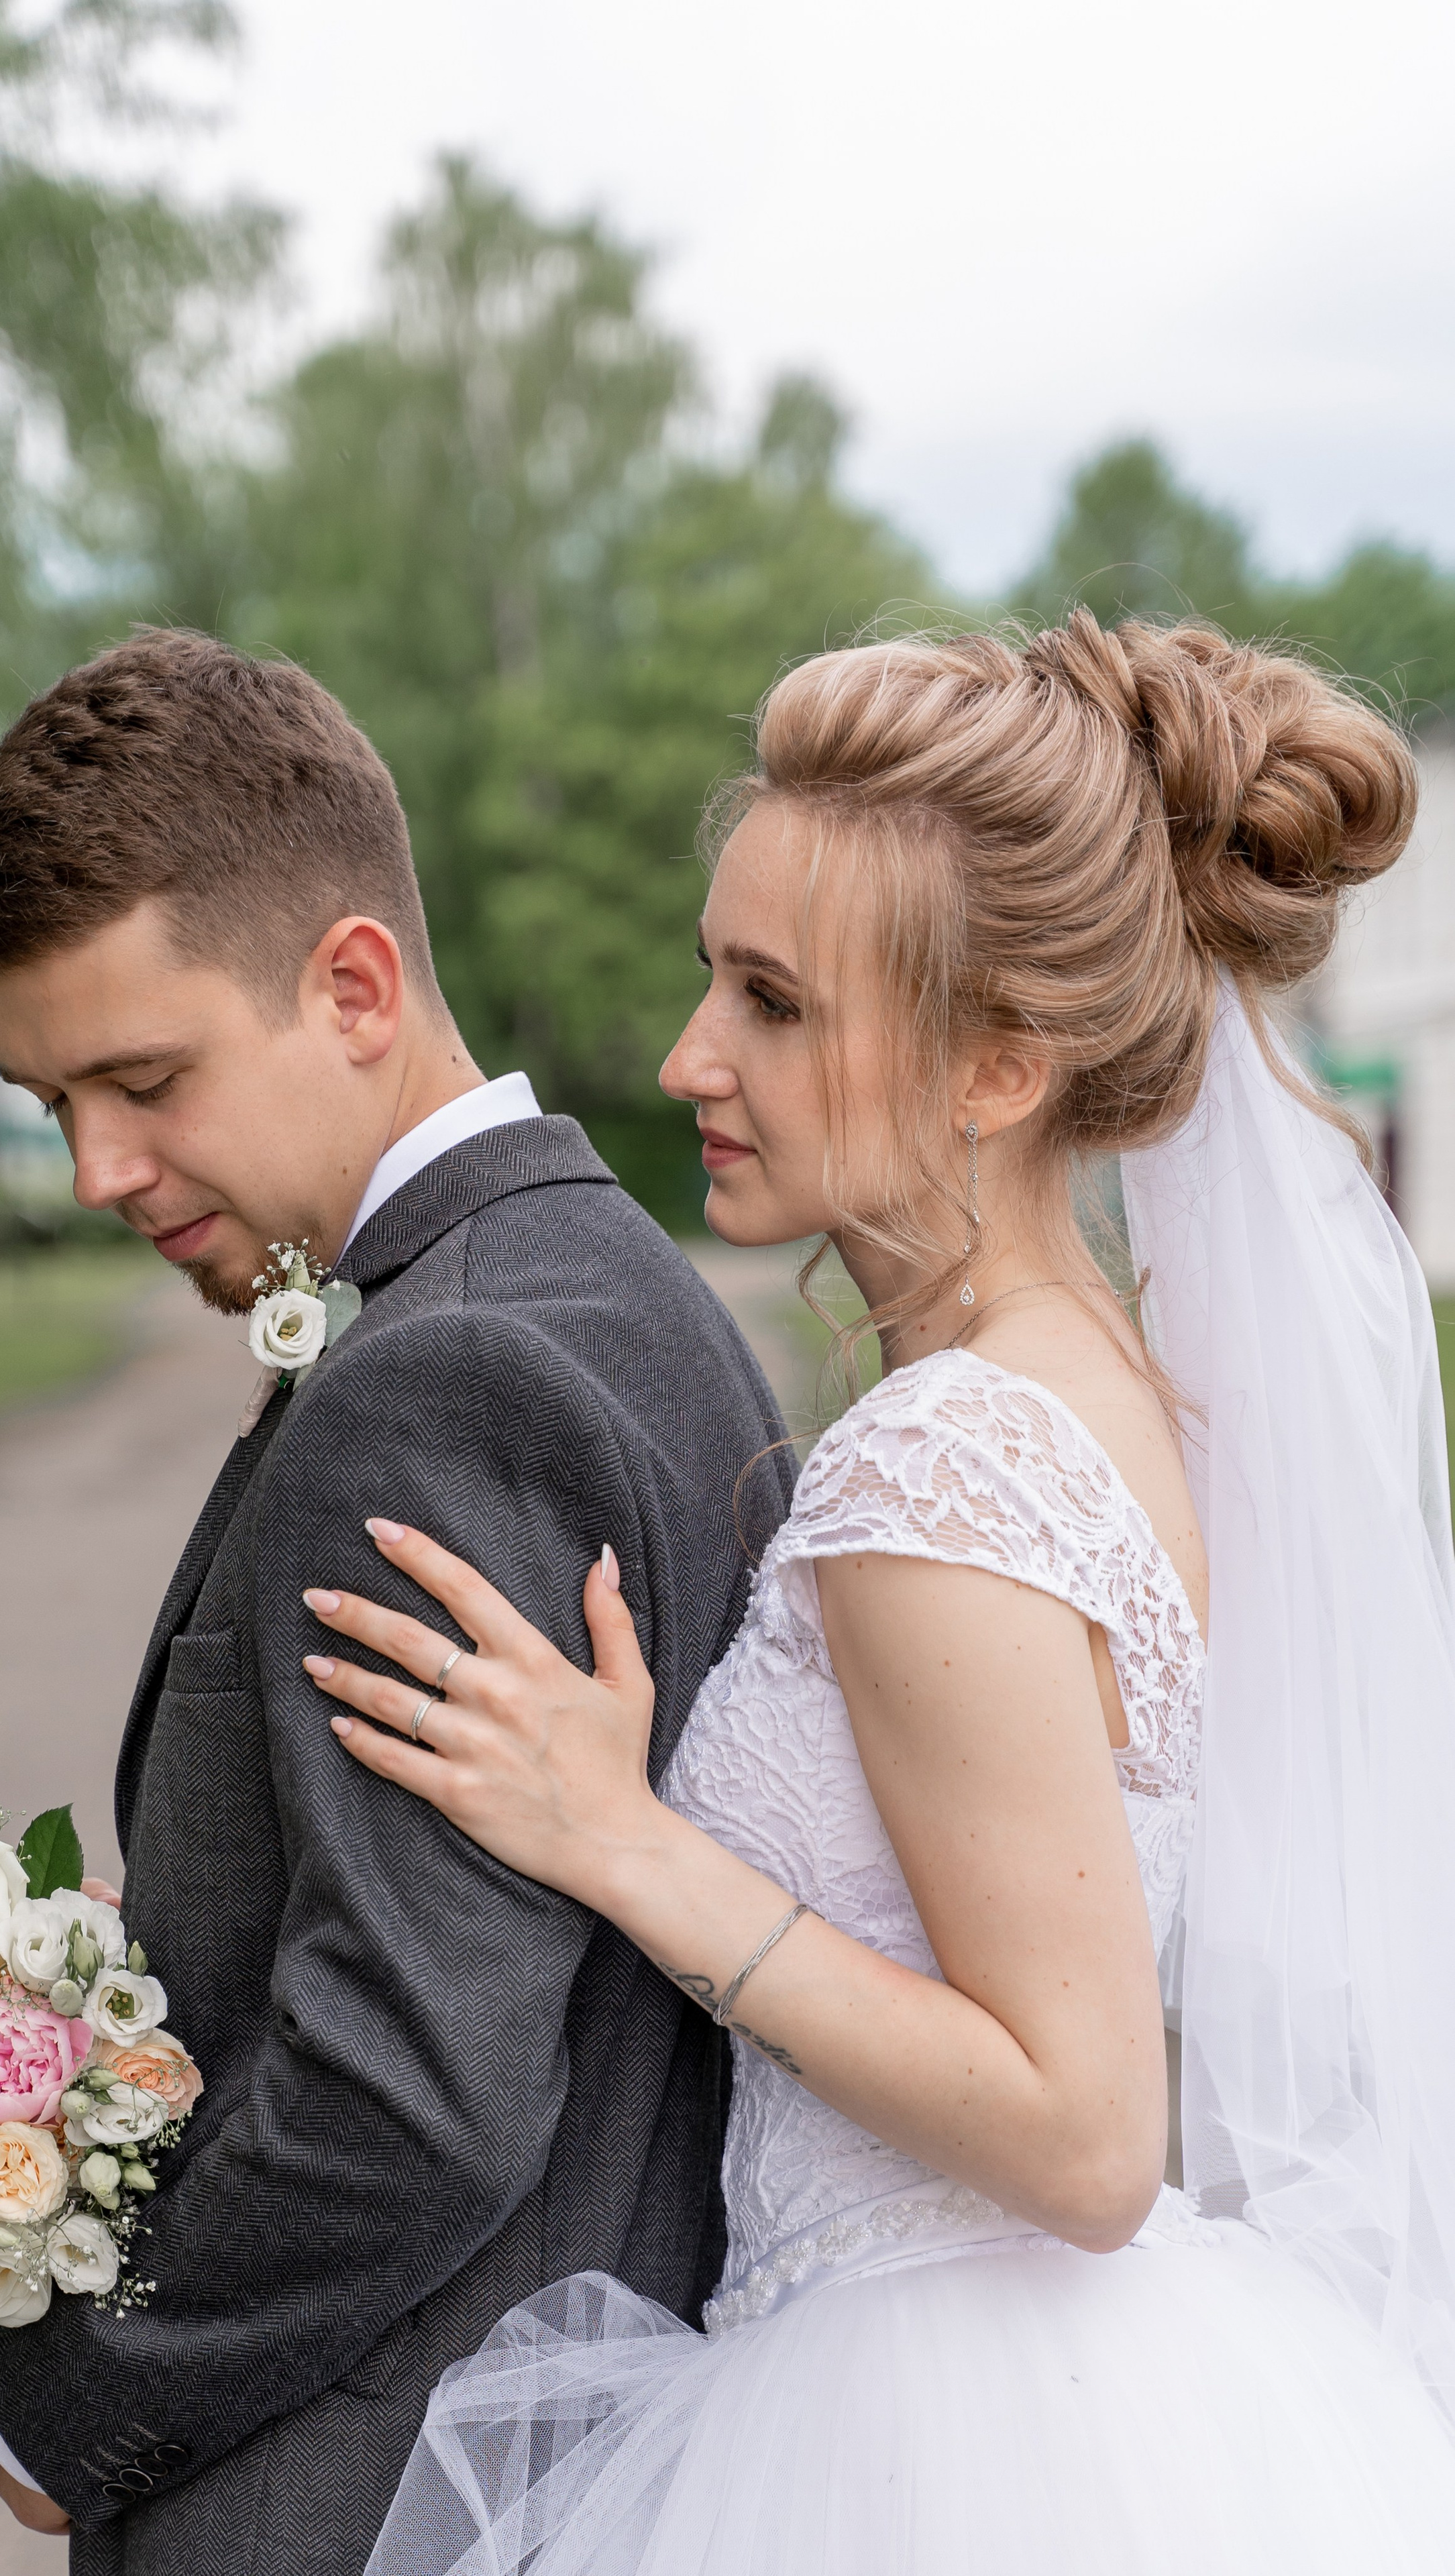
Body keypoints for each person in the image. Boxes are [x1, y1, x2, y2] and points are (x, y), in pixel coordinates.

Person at [301, 612, 1455, 2573]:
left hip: (936, 2440)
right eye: (711, 980)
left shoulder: (949, 1468)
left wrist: (624, 1842)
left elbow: (1086, 2138)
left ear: (998, 1064)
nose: (691, 1057)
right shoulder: (1103, 1381)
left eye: (775, 1003)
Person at [0, 629, 794, 2573]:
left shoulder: (443, 1383)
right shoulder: (615, 1293)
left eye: (142, 1079)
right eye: (50, 1099)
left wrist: (58, 2399)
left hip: (372, 2499)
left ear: (357, 985)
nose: (94, 1170)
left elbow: (409, 2091)